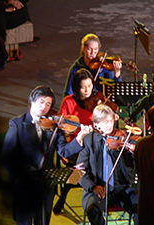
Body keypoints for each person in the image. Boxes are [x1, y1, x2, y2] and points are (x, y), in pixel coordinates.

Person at [1, 85, 92, 225]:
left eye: (48, 103)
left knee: (43, 221)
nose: (44, 106)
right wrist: (17, 180)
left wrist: (80, 138)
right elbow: (7, 157)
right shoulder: (17, 124)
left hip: (47, 182)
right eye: (41, 101)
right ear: (32, 100)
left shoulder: (55, 126)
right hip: (25, 184)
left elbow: (64, 151)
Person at [53, 68, 118, 213]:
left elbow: (108, 116)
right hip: (77, 144)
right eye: (83, 87)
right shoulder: (68, 102)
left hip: (96, 143)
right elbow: (62, 125)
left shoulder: (96, 101)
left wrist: (108, 112)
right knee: (80, 166)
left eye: (90, 86)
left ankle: (104, 196)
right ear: (77, 87)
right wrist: (78, 132)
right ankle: (64, 197)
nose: (88, 90)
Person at [76, 104, 138, 225]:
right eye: (105, 122)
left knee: (141, 207)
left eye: (111, 121)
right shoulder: (89, 140)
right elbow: (80, 169)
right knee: (93, 210)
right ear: (96, 124)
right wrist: (93, 187)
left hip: (122, 187)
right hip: (99, 188)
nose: (109, 125)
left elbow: (136, 157)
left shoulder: (122, 137)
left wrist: (130, 149)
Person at [63, 33, 122, 97]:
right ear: (83, 48)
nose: (93, 53)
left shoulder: (103, 67)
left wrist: (117, 73)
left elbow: (115, 91)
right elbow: (68, 92)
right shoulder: (76, 68)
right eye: (89, 49)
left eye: (96, 49)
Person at [0, 0, 30, 71]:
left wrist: (13, 7)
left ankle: (2, 51)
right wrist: (9, 1)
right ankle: (2, 51)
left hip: (16, 11)